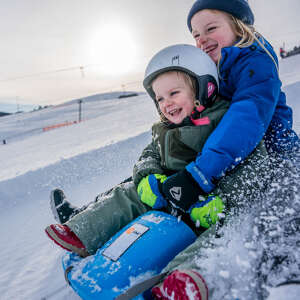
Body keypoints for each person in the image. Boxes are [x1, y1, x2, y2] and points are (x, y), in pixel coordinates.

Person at [45, 44, 268, 260]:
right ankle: (83, 232)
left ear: (203, 89)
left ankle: (188, 276)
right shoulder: (164, 129)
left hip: (209, 207)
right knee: (128, 192)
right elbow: (149, 155)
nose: (166, 103)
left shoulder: (227, 124)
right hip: (169, 195)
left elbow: (254, 166)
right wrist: (148, 178)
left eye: (173, 93)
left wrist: (222, 200)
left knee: (228, 228)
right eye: (160, 98)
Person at [150, 1, 300, 298]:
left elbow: (244, 119)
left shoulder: (255, 64)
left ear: (239, 27)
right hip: (231, 161)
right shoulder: (210, 72)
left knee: (278, 207)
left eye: (211, 28)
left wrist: (200, 174)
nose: (201, 39)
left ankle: (286, 274)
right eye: (195, 34)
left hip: (277, 159)